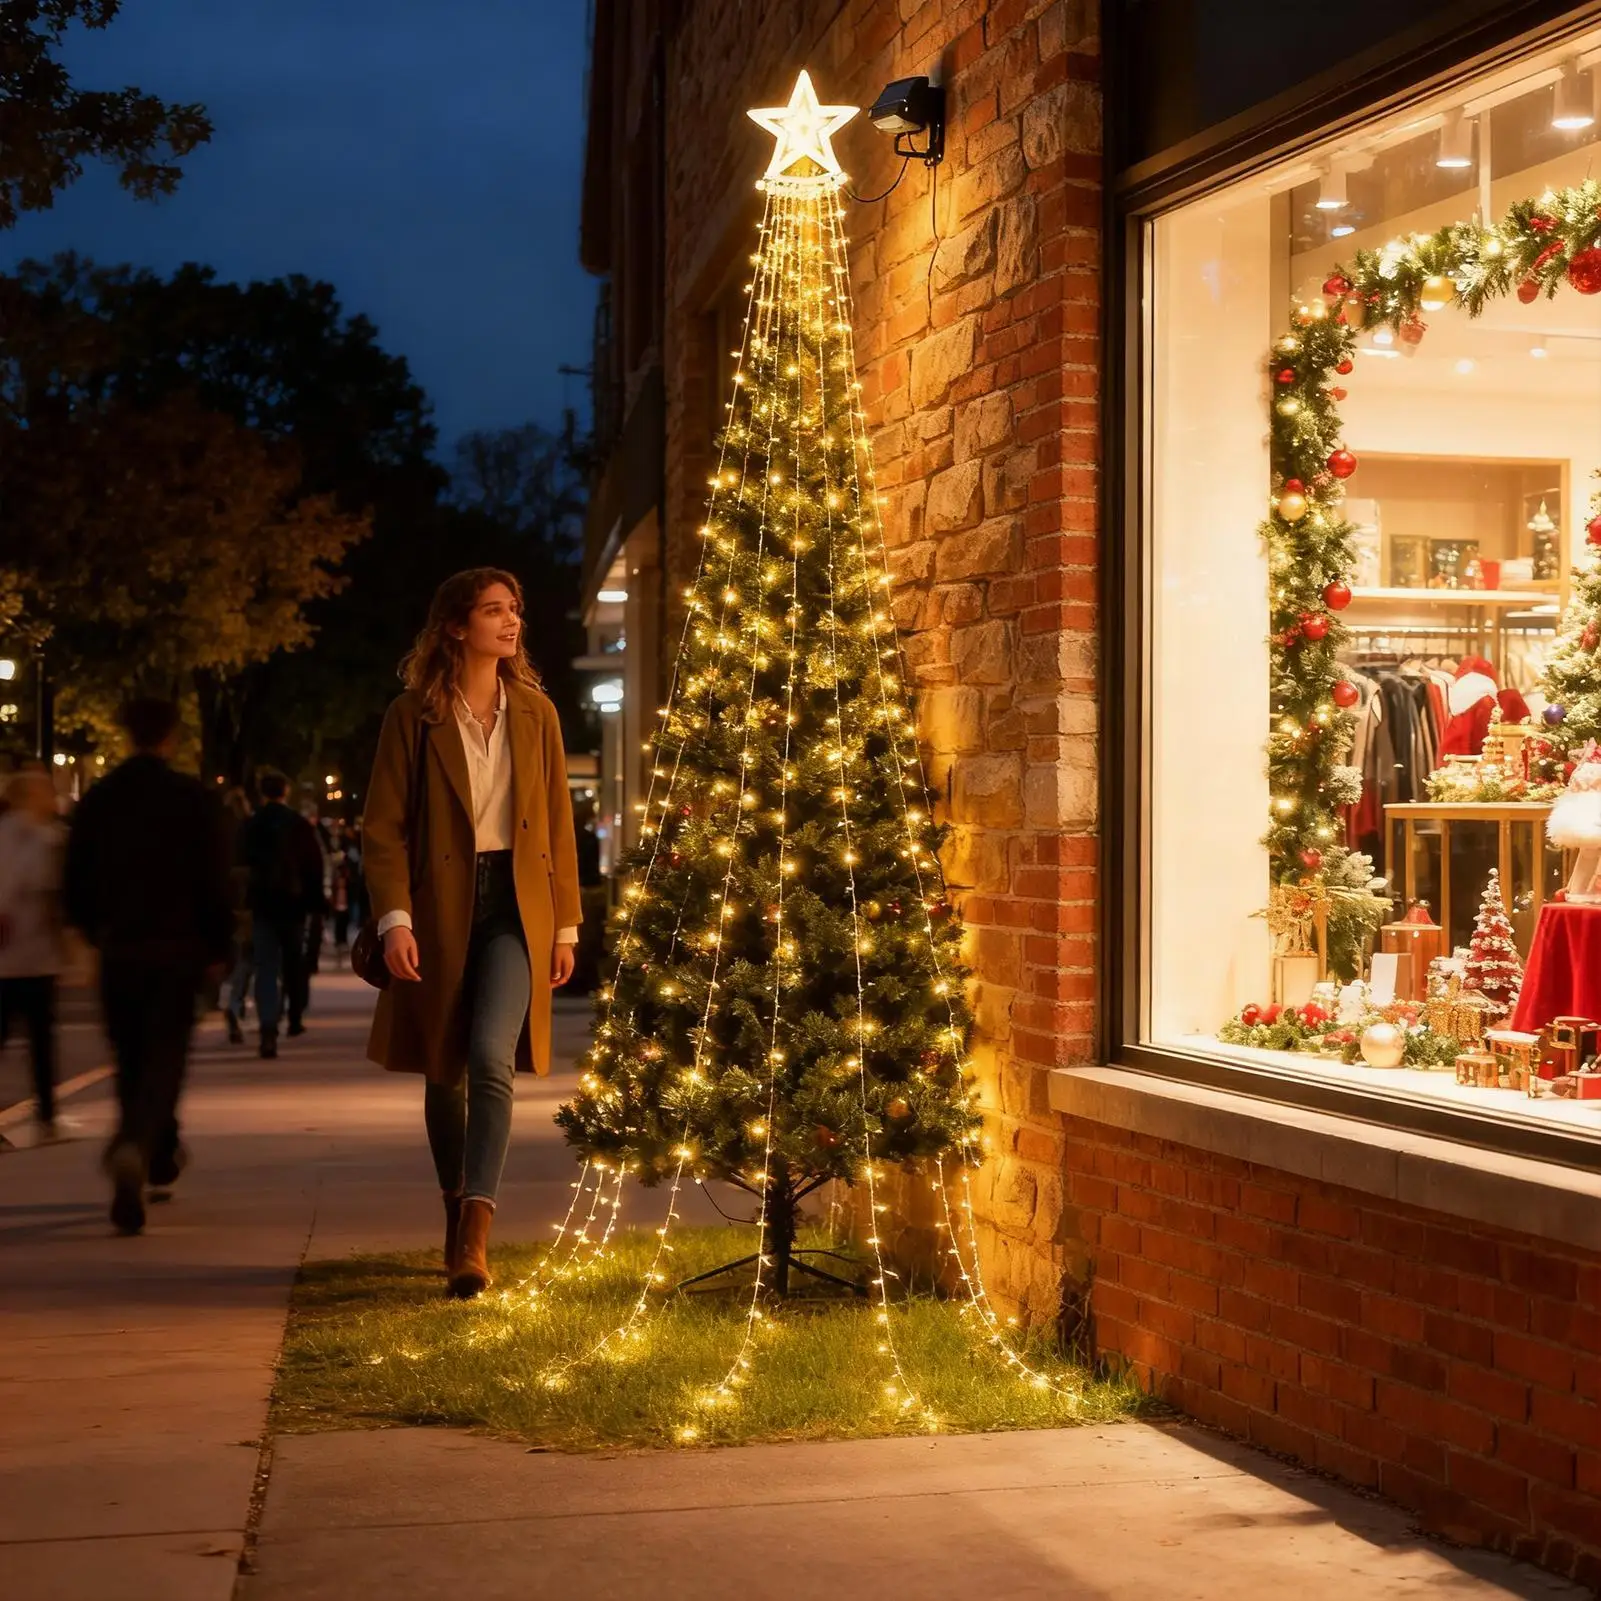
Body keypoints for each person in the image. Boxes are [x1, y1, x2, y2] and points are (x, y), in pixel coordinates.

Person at [365, 568, 581, 1299]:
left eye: (515, 609)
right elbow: (383, 829)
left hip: (516, 908)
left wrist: (567, 925)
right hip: (439, 905)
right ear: (457, 626)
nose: (511, 621)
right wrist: (395, 918)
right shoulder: (412, 715)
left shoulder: (537, 714)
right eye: (494, 610)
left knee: (492, 1057)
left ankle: (475, 1235)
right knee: (443, 1066)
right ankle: (456, 1208)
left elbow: (557, 823)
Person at [63, 698, 233, 1235]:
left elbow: (76, 879)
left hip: (122, 947)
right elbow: (214, 878)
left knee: (131, 1057)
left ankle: (152, 1149)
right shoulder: (192, 800)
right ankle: (139, 1144)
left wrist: (95, 931)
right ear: (171, 738)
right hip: (177, 948)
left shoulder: (99, 800)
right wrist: (219, 944)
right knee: (165, 1057)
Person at [0, 766, 68, 1141]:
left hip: (6, 954)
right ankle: (47, 1116)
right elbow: (46, 891)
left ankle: (47, 1114)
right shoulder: (46, 838)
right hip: (34, 952)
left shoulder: (2, 832)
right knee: (41, 1039)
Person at [237, 770, 324, 1058]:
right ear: (285, 791)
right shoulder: (298, 825)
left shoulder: (252, 824)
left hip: (263, 904)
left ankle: (267, 1027)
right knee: (292, 963)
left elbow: (240, 863)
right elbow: (314, 866)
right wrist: (315, 902)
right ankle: (294, 1015)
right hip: (294, 904)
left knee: (265, 967)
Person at [220, 787, 255, 1045]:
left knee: (228, 959)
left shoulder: (216, 833)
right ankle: (234, 1004)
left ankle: (227, 1001)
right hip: (247, 903)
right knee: (246, 959)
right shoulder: (250, 832)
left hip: (223, 904)